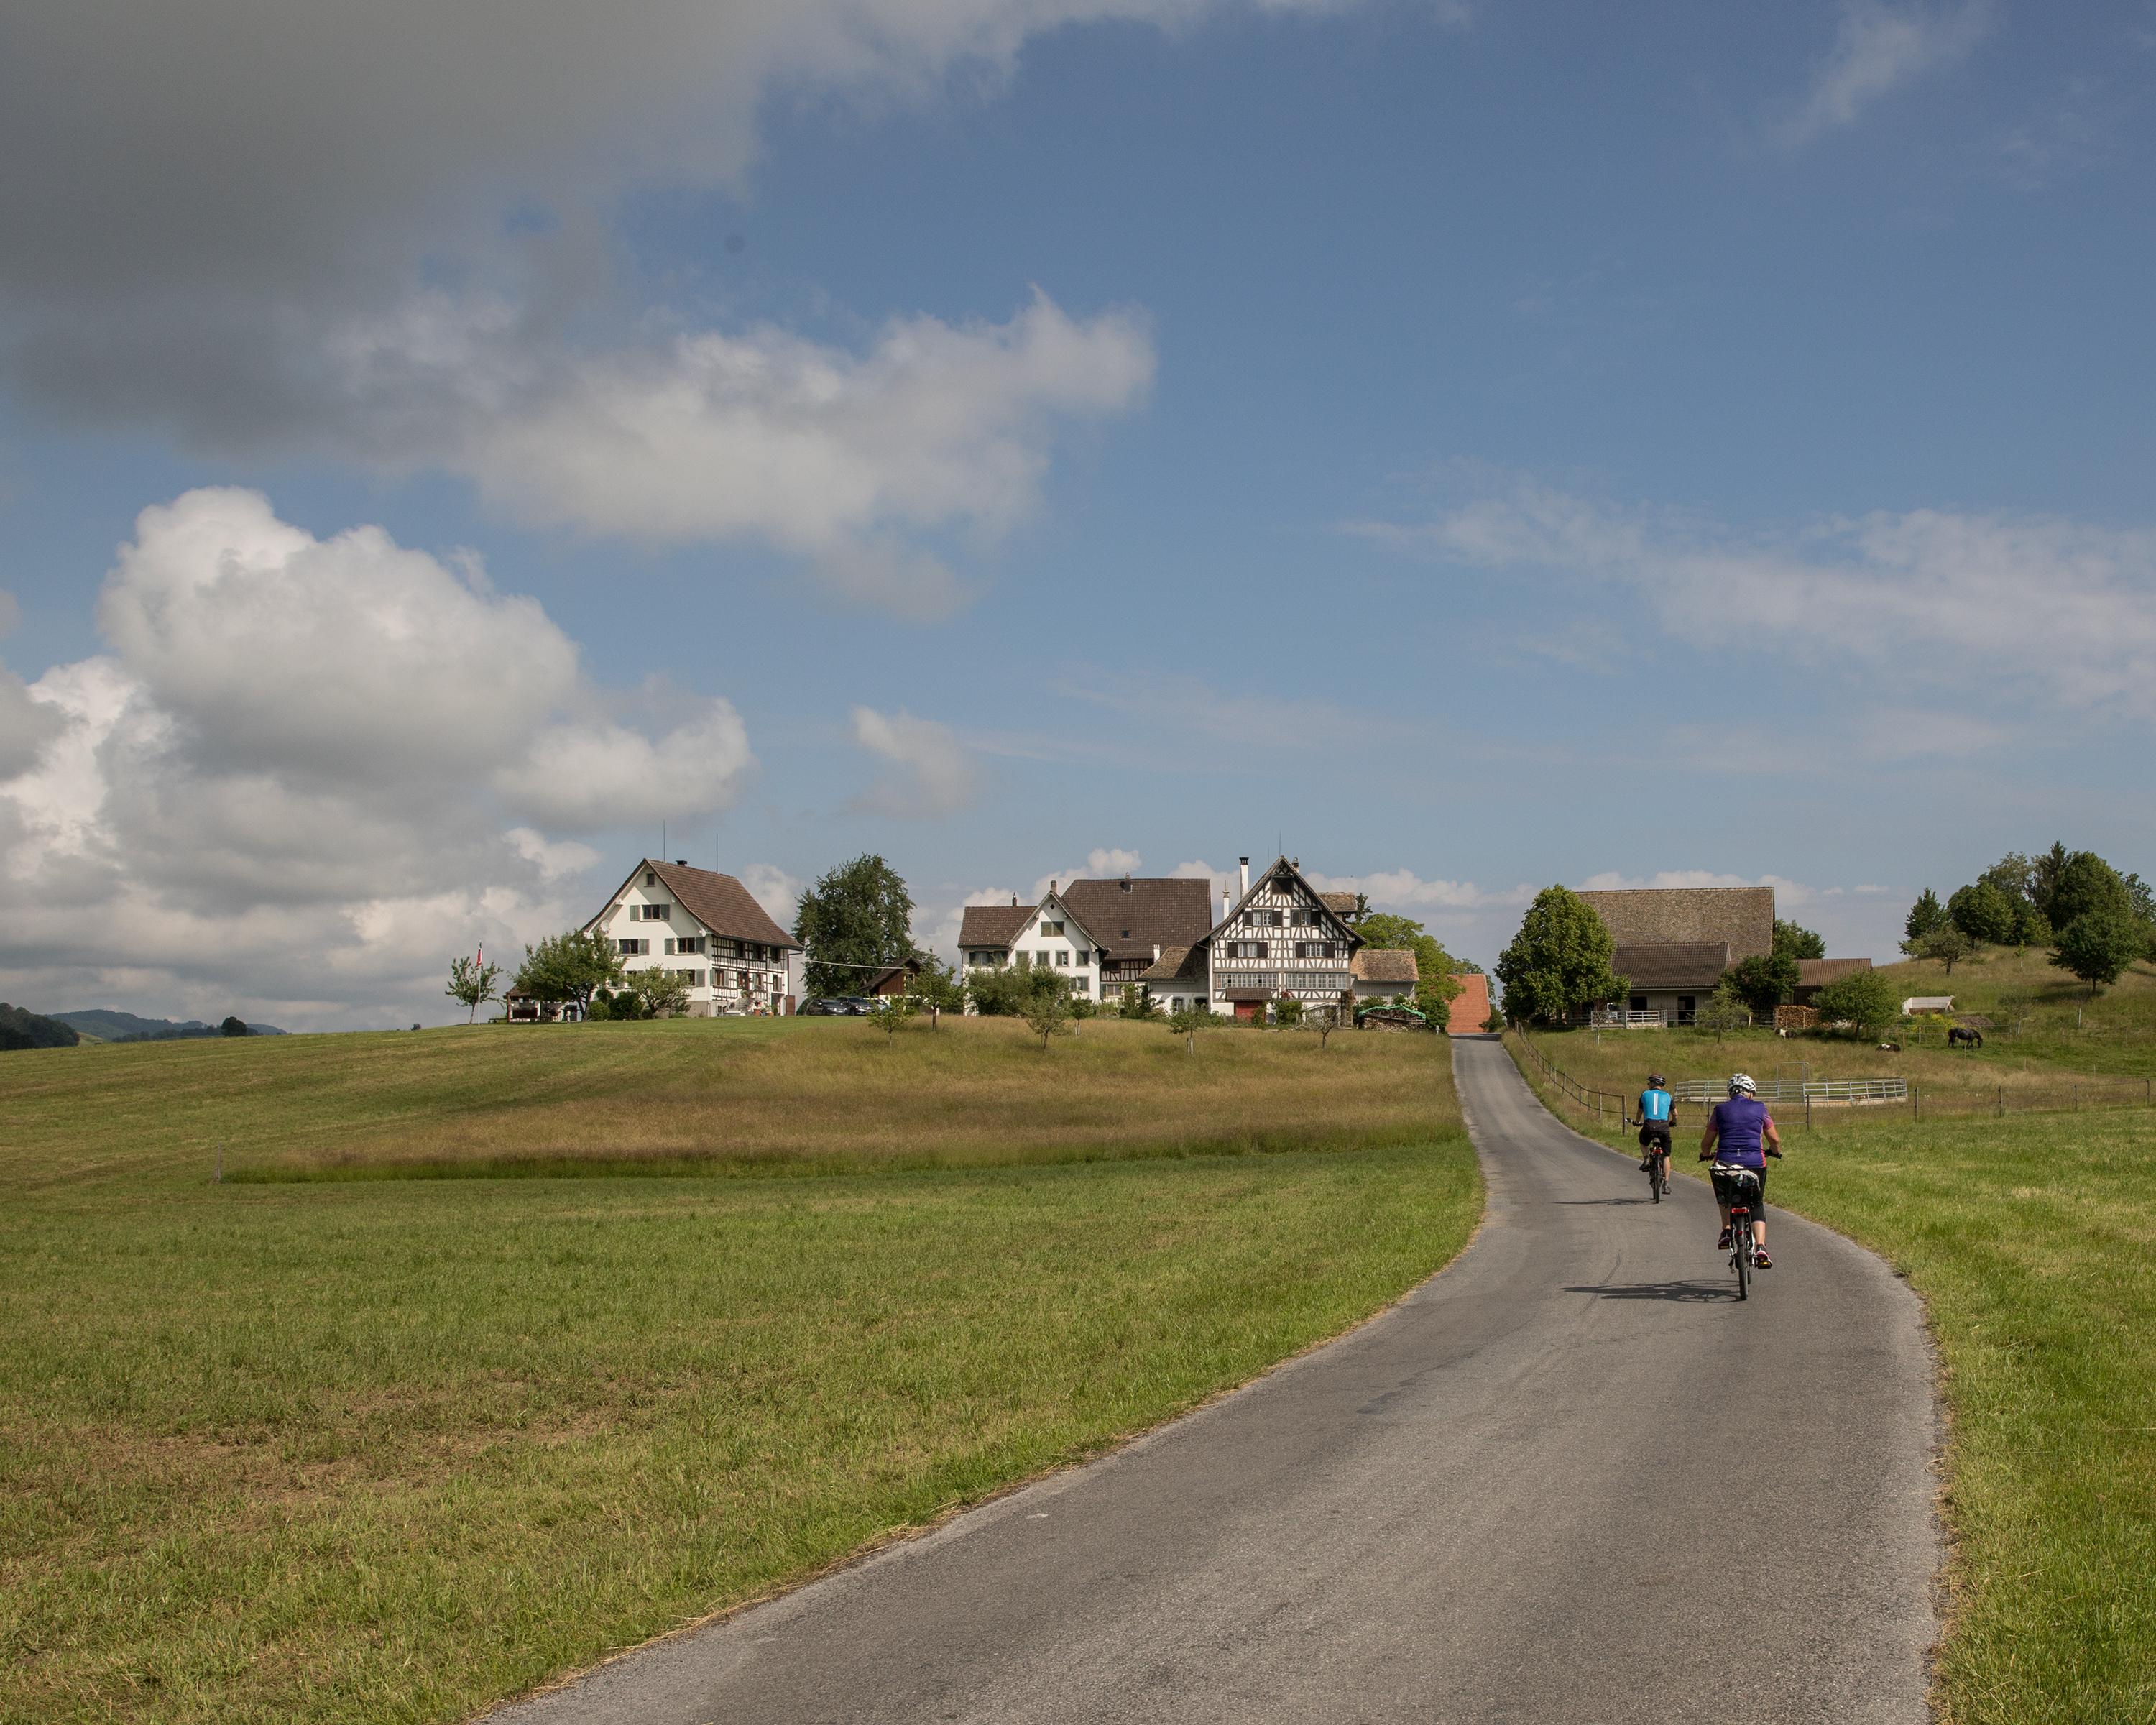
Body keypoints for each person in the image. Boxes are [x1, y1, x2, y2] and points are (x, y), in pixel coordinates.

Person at [1700, 1072, 1782, 1269]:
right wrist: (1775, 1151)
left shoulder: (1720, 1110)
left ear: (1731, 1093)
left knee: (1725, 1196)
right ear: (1751, 1093)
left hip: (1725, 1163)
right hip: (1755, 1163)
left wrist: (1706, 1154)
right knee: (1756, 1202)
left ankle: (1727, 1230)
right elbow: (1774, 1139)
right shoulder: (1760, 1108)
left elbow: (1707, 1142)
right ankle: (1761, 1246)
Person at [1636, 1072, 1674, 1179]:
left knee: (1643, 1143)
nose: (1648, 1084)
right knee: (1666, 1157)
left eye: (1649, 1083)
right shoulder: (1668, 1096)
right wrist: (1673, 1122)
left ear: (1654, 1083)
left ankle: (1646, 1159)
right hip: (1664, 1127)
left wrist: (1637, 1122)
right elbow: (1675, 1113)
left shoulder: (1645, 1094)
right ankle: (1666, 1183)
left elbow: (1639, 1112)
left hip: (1649, 1125)